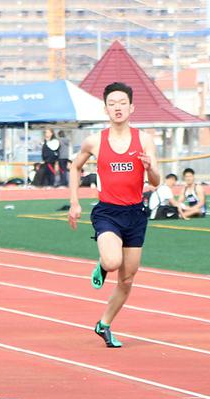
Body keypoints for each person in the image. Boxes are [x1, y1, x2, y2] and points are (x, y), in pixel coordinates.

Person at [68, 82, 160, 348]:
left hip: (135, 213)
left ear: (131, 107)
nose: (117, 108)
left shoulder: (144, 140)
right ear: (105, 108)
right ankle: (103, 264)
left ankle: (104, 324)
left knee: (127, 278)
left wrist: (149, 167)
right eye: (112, 103)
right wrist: (74, 202)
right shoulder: (95, 141)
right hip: (107, 212)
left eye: (122, 103)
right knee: (111, 261)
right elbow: (75, 167)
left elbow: (155, 179)